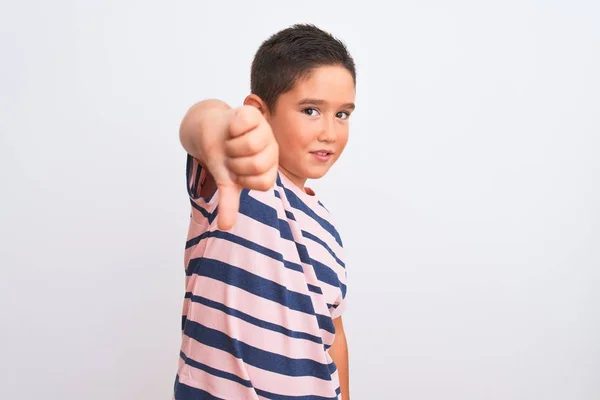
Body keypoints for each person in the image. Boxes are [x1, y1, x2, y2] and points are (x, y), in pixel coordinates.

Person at [175, 23, 356, 400]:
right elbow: (202, 123)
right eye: (311, 110)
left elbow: (334, 334)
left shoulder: (329, 230)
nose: (330, 132)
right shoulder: (239, 178)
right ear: (260, 111)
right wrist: (222, 126)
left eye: (342, 114)